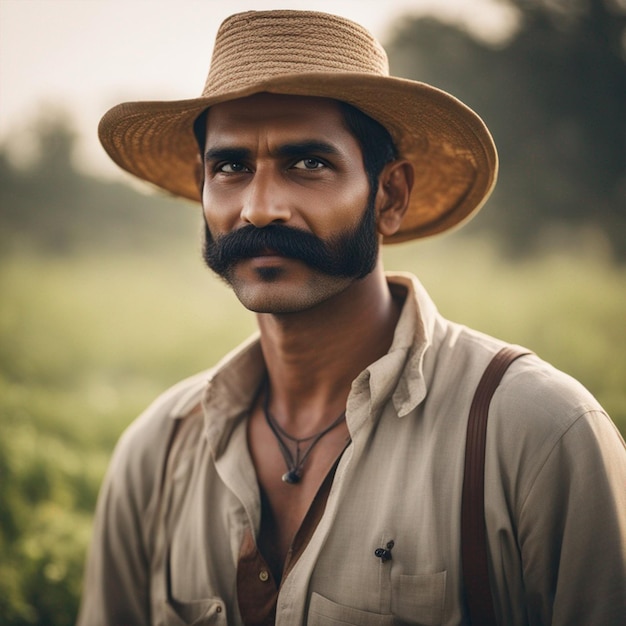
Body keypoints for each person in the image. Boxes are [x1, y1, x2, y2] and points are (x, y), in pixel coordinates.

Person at [78, 10, 626, 626]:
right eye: (230, 167)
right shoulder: (156, 453)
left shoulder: (537, 434)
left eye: (308, 163)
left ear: (389, 196)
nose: (260, 208)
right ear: (202, 188)